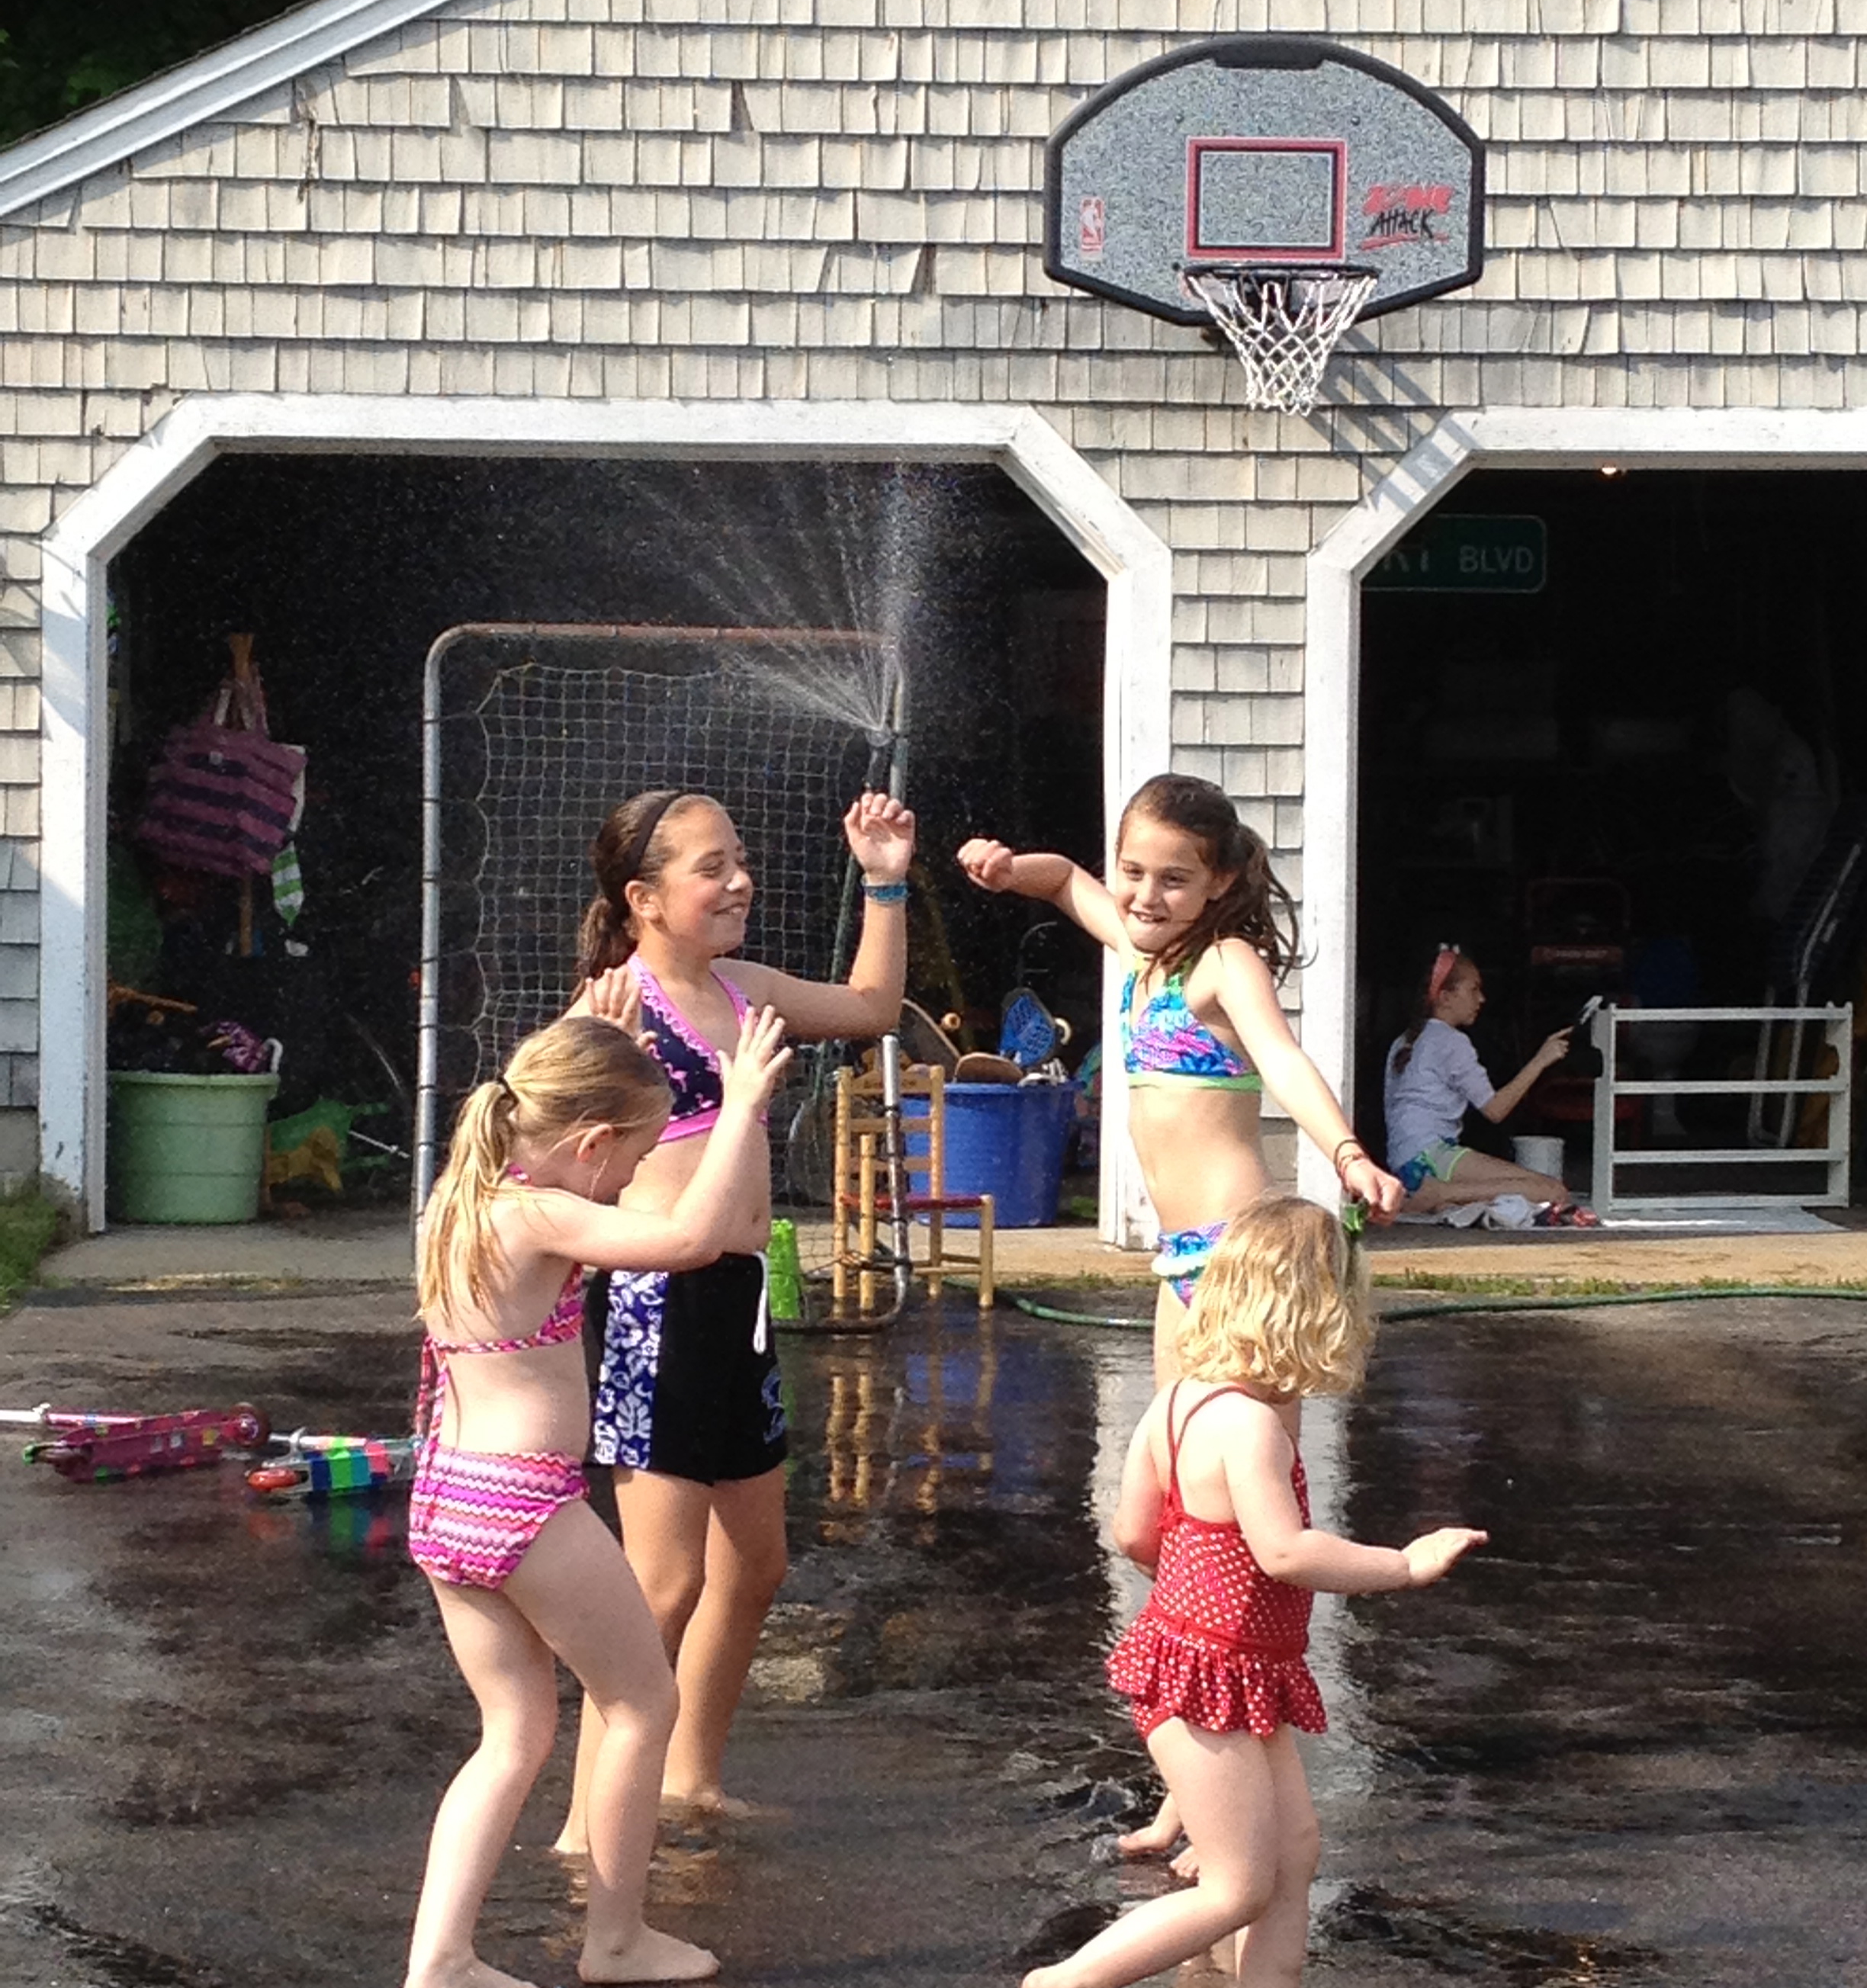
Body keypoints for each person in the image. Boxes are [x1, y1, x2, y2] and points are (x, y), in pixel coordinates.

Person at [1018, 1197, 1486, 1988]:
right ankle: (1070, 1983)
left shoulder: (1178, 1404)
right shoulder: (1251, 1427)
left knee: (1294, 1851)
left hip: (1222, 1665)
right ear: (1314, 1315)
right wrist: (1404, 1564)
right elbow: (1286, 1552)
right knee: (1236, 1885)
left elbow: (1132, 1534)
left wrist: (1194, 1585)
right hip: (1209, 1677)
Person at [403, 1006, 790, 1988]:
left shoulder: (458, 1200)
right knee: (642, 1703)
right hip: (524, 1500)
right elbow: (691, 1239)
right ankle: (617, 1939)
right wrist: (739, 1107)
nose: (628, 1181)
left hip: (447, 1498)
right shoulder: (537, 1213)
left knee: (512, 1733)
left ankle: (440, 1959)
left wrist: (596, 1040)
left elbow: (560, 1109)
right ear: (588, 1143)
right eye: (633, 1158)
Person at [560, 784, 916, 1830]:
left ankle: (691, 1779)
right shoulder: (612, 1010)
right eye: (711, 867)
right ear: (644, 897)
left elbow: (871, 1008)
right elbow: (535, 1159)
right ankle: (585, 1827)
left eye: (739, 860)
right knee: (660, 1586)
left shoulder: (743, 988)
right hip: (655, 1308)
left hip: (738, 1301)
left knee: (754, 1566)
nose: (739, 881)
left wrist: (885, 885)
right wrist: (598, 1072)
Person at [957, 773, 1405, 1389]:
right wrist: (1009, 872)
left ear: (1218, 882)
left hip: (1236, 1254)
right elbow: (1062, 878)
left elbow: (1281, 1058)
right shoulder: (1141, 954)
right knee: (1174, 1437)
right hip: (1179, 1253)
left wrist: (1347, 1155)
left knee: (1247, 1439)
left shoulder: (1224, 962)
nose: (1146, 896)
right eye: (1132, 872)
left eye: (1173, 880)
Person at [1384, 946, 1596, 1225]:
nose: (1481, 999)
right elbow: (1495, 1110)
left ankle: (1441, 1196)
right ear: (1445, 998)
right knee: (1553, 1191)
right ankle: (1440, 1193)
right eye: (1473, 990)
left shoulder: (1404, 1041)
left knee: (1534, 1190)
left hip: (1405, 1163)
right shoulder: (1451, 1042)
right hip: (1431, 1156)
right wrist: (1540, 1060)